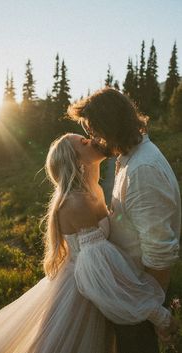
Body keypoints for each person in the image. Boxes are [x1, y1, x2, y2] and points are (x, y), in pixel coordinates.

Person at [0, 132, 178, 353]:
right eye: (84, 143)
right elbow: (104, 273)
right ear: (76, 160)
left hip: (96, 284)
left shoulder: (92, 190)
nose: (92, 141)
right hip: (86, 293)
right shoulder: (77, 203)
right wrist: (156, 313)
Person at [67, 87, 181, 353]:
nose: (93, 140)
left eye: (93, 131)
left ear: (109, 127)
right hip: (133, 293)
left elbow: (160, 252)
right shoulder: (130, 159)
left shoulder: (142, 170)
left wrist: (153, 312)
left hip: (139, 295)